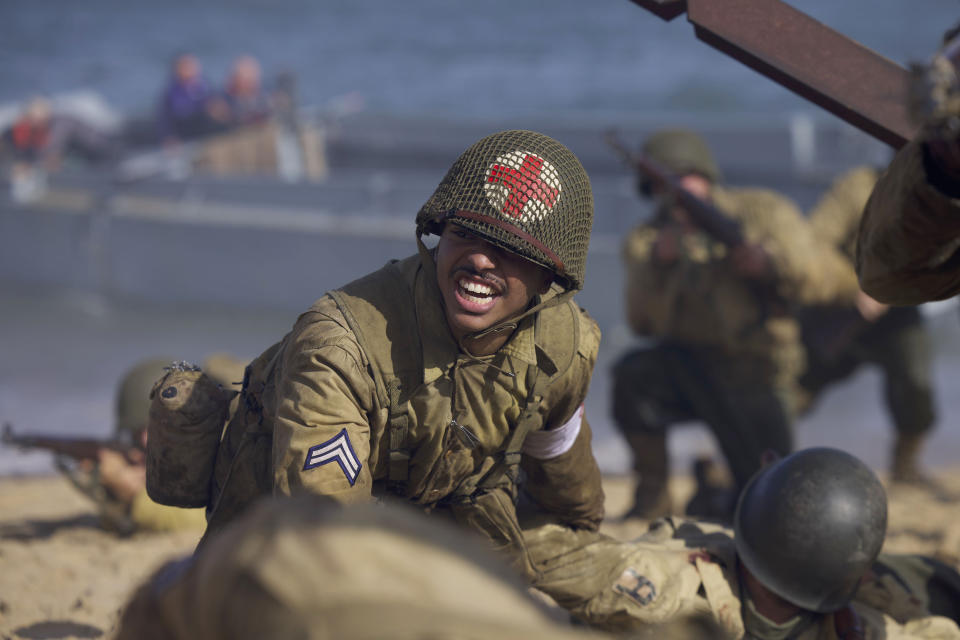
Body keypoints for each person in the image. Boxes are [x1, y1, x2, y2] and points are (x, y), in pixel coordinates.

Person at [611, 128, 860, 520]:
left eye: (684, 180)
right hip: (688, 368)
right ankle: (653, 495)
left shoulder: (763, 212)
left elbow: (822, 278)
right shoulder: (649, 241)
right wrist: (658, 267)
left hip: (756, 370)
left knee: (770, 497)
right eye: (664, 185)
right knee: (632, 376)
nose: (676, 195)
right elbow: (641, 323)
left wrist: (771, 264)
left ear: (705, 176)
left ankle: (715, 488)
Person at [799, 166, 937, 485]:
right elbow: (813, 243)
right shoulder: (859, 185)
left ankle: (906, 465)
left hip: (900, 309)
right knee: (797, 386)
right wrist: (852, 287)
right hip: (845, 307)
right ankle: (756, 456)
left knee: (916, 385)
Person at [72, 357, 242, 534]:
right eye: (137, 433)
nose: (146, 441)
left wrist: (132, 495)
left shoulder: (236, 449)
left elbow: (205, 518)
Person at [156, 53, 217, 144]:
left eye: (192, 66)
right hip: (185, 130)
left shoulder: (204, 85)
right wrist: (168, 137)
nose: (191, 69)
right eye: (186, 67)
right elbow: (165, 118)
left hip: (203, 128)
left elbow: (213, 100)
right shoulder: (172, 92)